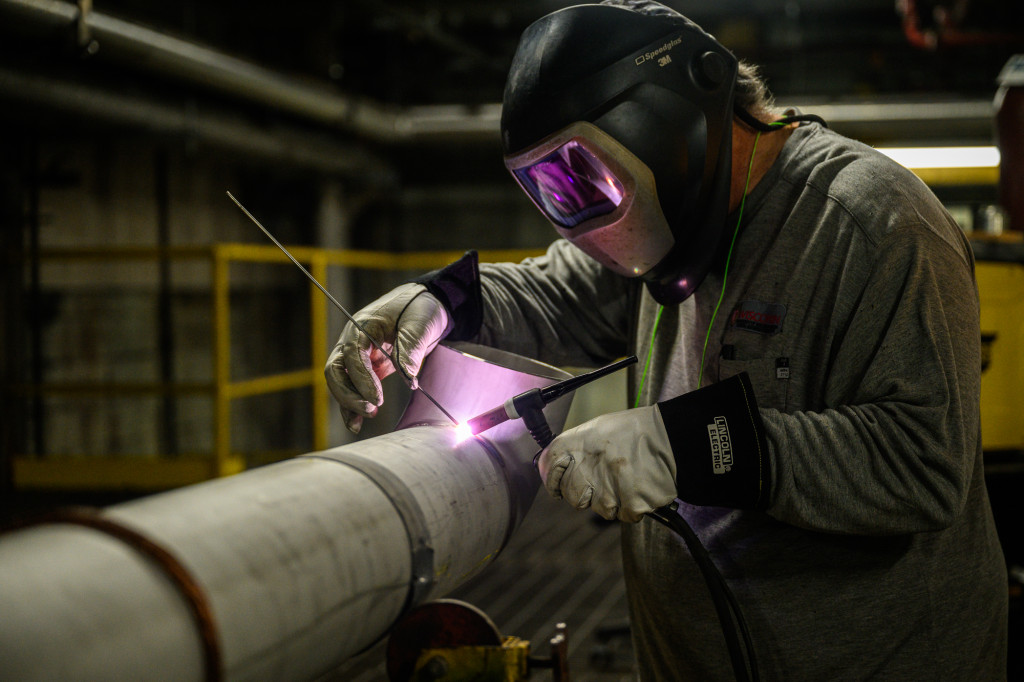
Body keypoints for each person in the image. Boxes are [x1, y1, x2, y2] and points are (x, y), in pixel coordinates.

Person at [325, 1, 1008, 679]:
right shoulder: (668, 240)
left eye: (583, 176)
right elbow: (552, 291)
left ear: (665, 121)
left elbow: (923, 464)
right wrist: (436, 302)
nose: (579, 221)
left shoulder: (874, 225)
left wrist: (690, 446)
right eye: (552, 191)